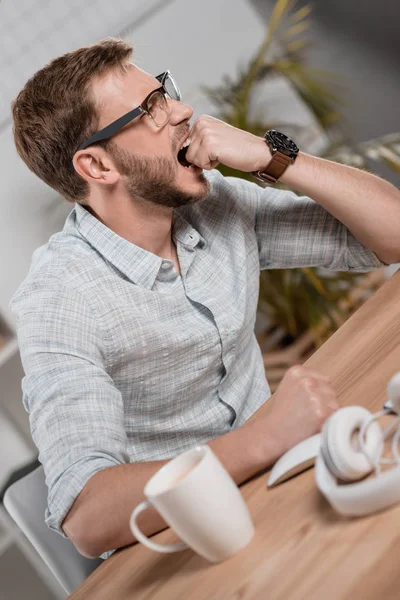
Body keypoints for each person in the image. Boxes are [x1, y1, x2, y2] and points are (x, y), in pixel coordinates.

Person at [9, 38, 400, 560]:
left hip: (289, 478)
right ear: (98, 167)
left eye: (163, 92)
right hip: (190, 544)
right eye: (151, 110)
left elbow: (392, 234)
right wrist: (262, 438)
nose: (183, 111)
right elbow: (87, 514)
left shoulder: (216, 204)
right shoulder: (61, 301)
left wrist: (272, 156)